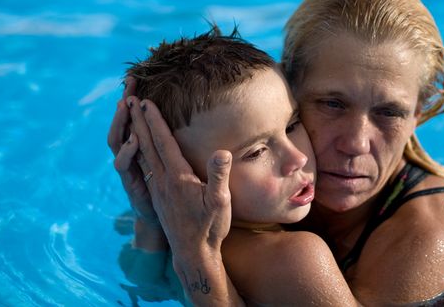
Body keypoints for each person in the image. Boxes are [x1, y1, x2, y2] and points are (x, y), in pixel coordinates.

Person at [109, 0, 444, 305]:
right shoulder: (263, 173)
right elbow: (144, 285)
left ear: (420, 114)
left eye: (389, 112)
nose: (355, 144)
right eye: (332, 104)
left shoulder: (424, 234)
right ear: (287, 87)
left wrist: (196, 259)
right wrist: (152, 213)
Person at [113, 27, 360, 306]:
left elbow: (147, 289)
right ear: (184, 174)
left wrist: (149, 218)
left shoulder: (165, 236)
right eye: (255, 152)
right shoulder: (296, 258)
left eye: (292, 125)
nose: (297, 159)